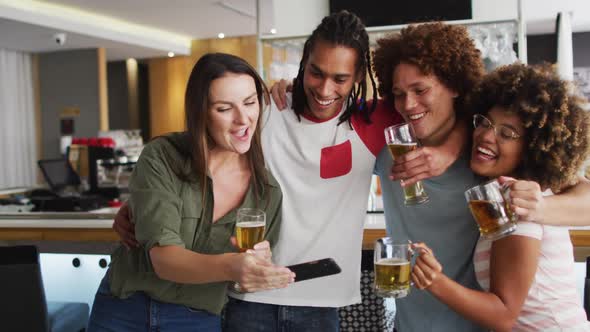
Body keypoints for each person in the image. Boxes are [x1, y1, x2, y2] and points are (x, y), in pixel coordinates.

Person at [113, 11, 463, 331]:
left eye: (340, 78)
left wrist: (448, 152)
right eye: (316, 73)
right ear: (303, 63)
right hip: (245, 299)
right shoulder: (262, 110)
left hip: (321, 301)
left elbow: (466, 108)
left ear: (358, 76)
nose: (325, 90)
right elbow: (193, 158)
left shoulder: (373, 121)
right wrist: (140, 210)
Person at [372, 22, 590, 331]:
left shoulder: (513, 184)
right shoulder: (472, 155)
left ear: (456, 86)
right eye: (398, 94)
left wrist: (537, 207)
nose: (408, 104)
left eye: (421, 90)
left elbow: (585, 195)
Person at [87, 53, 294, 332]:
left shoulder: (267, 192)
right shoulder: (162, 157)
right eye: (224, 108)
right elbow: (163, 260)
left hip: (195, 319)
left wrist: (255, 268)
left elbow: (241, 281)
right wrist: (233, 265)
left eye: (250, 102)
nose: (243, 119)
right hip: (124, 309)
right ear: (201, 112)